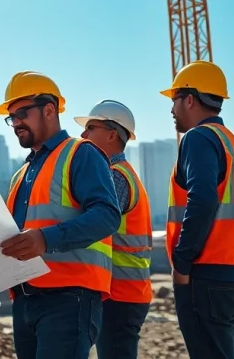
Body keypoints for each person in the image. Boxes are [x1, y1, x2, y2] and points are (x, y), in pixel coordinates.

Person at [0, 71, 122, 359]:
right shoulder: (21, 174)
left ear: (50, 110)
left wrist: (45, 239)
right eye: (11, 117)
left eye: (22, 113)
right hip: (25, 299)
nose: (16, 123)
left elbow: (107, 215)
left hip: (69, 299)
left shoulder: (82, 153)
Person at [160, 60, 234, 359]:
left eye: (174, 101)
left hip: (203, 279)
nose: (172, 111)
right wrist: (230, 252)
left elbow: (203, 198)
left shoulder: (198, 138)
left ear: (191, 99)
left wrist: (183, 263)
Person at [74, 100, 153, 359]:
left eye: (90, 127)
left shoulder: (115, 177)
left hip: (121, 295)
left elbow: (95, 224)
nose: (83, 135)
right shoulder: (120, 174)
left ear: (111, 134)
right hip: (125, 293)